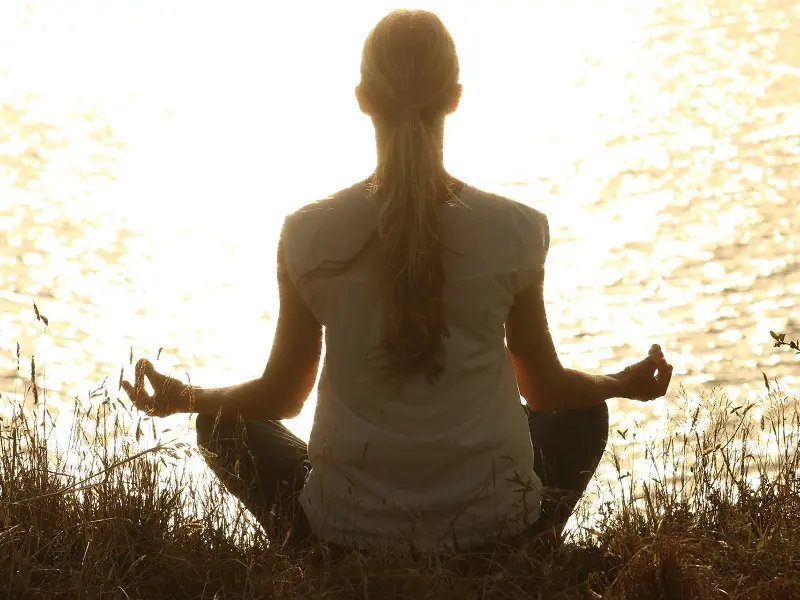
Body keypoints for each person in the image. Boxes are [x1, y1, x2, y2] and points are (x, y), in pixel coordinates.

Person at [122, 8, 673, 556]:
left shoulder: (307, 235)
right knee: (582, 411)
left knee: (222, 425)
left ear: (362, 98)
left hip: (346, 535)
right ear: (455, 97)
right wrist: (618, 384)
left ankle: (318, 560)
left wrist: (183, 398)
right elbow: (545, 389)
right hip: (493, 530)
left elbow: (281, 397)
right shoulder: (517, 230)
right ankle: (517, 554)